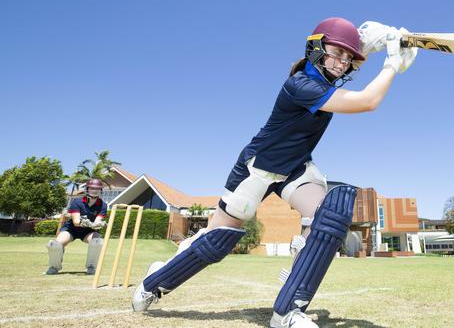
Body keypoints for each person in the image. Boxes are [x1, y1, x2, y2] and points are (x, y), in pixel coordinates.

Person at [131, 17, 418, 327]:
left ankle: (289, 311)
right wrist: (391, 63)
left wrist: (367, 46)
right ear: (316, 49)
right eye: (338, 53)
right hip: (259, 167)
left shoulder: (324, 77)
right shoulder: (301, 85)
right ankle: (152, 284)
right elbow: (367, 101)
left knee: (328, 218)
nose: (343, 63)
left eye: (349, 58)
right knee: (217, 243)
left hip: (296, 166)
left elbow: (341, 61)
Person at [45, 178, 107, 275]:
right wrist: (88, 223)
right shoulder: (77, 202)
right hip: (71, 229)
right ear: (87, 188)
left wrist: (98, 224)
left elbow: (97, 222)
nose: (94, 190)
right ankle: (54, 267)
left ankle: (92, 267)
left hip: (88, 231)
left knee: (97, 242)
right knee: (55, 244)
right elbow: (76, 222)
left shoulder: (103, 205)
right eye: (92, 188)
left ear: (100, 190)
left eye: (97, 189)